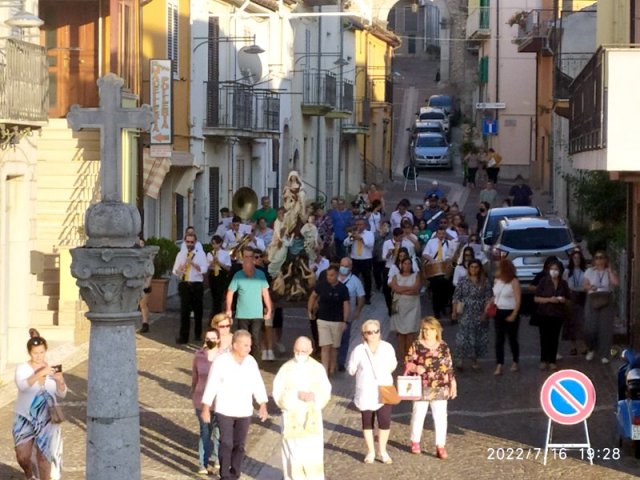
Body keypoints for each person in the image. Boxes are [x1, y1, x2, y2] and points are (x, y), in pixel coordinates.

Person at [200, 330, 268, 480]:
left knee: (239, 444)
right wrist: (206, 407)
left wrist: (262, 404)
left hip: (244, 410)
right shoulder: (221, 361)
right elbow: (212, 385)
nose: (248, 348)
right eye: (245, 345)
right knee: (226, 443)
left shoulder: (250, 362)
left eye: (249, 345)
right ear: (235, 345)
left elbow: (257, 383)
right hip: (225, 409)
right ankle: (224, 475)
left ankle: (235, 473)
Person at [272, 337, 332, 480]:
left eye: (304, 351)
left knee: (312, 454)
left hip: (311, 419)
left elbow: (326, 391)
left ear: (311, 351)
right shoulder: (286, 369)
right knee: (293, 455)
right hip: (292, 418)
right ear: (293, 349)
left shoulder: (317, 368)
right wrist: (296, 395)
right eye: (297, 351)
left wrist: (314, 396)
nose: (300, 354)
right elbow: (277, 392)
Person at [14, 329, 67, 480]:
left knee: (44, 458)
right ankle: (29, 475)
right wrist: (40, 373)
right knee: (22, 456)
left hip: (47, 418)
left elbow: (62, 393)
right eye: (35, 353)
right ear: (29, 353)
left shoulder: (52, 368)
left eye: (42, 352)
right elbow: (23, 386)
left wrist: (60, 381)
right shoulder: (22, 369)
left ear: (45, 351)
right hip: (25, 417)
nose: (39, 356)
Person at [404, 317, 457, 458]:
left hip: (440, 385)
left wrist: (453, 383)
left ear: (437, 331)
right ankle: (415, 441)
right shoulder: (416, 345)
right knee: (418, 415)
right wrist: (416, 367)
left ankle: (440, 445)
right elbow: (407, 362)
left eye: (431, 329)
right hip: (421, 386)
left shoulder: (443, 346)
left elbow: (449, 366)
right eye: (425, 329)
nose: (428, 332)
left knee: (440, 417)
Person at [347, 319, 397, 464]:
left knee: (385, 420)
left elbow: (393, 364)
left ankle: (383, 450)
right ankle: (371, 451)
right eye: (370, 332)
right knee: (367, 421)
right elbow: (351, 369)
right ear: (364, 335)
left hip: (384, 388)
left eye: (376, 331)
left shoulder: (387, 347)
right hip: (366, 389)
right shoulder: (359, 350)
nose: (374, 334)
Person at [225, 246, 272, 361]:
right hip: (242, 314)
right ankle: (241, 360)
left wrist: (269, 309)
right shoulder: (238, 275)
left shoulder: (260, 274)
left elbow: (265, 293)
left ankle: (254, 362)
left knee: (255, 338)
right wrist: (228, 309)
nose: (248, 274)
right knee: (242, 339)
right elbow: (230, 293)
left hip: (257, 314)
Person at [307, 266, 350, 375]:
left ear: (336, 275)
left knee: (334, 347)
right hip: (323, 320)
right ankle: (324, 369)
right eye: (327, 275)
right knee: (325, 346)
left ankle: (332, 367)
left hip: (337, 321)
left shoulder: (343, 289)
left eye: (331, 275)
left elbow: (346, 305)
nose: (329, 277)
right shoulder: (321, 286)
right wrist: (310, 309)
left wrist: (345, 321)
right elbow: (313, 296)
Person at [451, 260, 493, 369]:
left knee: (476, 338)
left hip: (479, 312)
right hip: (465, 312)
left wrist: (485, 312)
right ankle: (459, 360)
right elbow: (456, 297)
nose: (474, 269)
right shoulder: (463, 281)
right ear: (468, 268)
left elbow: (488, 298)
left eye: (476, 267)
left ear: (480, 268)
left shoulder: (485, 282)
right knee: (462, 337)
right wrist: (454, 311)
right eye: (472, 267)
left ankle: (474, 361)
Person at [192, 328, 222, 475]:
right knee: (205, 432)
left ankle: (217, 460)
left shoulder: (224, 357)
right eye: (207, 338)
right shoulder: (198, 356)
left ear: (218, 340)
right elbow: (195, 378)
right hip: (201, 400)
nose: (210, 341)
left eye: (213, 338)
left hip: (219, 401)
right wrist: (194, 395)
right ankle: (202, 463)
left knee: (218, 432)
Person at [582, 250, 620, 363]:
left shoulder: (609, 271)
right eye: (597, 257)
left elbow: (616, 283)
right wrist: (590, 287)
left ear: (605, 259)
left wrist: (609, 270)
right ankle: (591, 349)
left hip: (606, 298)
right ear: (594, 260)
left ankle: (605, 354)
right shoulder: (589, 271)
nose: (599, 260)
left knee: (606, 328)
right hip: (593, 298)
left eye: (602, 257)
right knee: (590, 327)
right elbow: (584, 285)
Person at [534, 259, 571, 371]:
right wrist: (549, 299)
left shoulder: (563, 283)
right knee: (544, 337)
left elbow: (569, 299)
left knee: (554, 338)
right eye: (552, 269)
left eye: (556, 269)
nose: (554, 271)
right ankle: (543, 360)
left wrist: (563, 300)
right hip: (544, 313)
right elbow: (536, 298)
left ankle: (552, 360)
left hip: (557, 314)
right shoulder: (543, 281)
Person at [173, 233, 209, 344]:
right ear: (185, 241)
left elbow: (204, 269)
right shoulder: (181, 254)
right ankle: (183, 337)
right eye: (187, 242)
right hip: (185, 283)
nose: (189, 244)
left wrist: (193, 264)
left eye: (191, 242)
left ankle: (198, 334)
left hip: (196, 284)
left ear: (195, 242)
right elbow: (175, 271)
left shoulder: (200, 254)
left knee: (198, 311)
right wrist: (180, 269)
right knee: (184, 311)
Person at [491, 259, 522, 375]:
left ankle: (515, 361)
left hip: (510, 310)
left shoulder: (514, 282)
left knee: (512, 338)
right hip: (499, 311)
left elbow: (518, 299)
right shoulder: (497, 280)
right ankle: (499, 364)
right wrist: (489, 304)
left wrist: (514, 314)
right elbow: (494, 295)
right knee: (499, 339)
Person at [389, 257, 422, 361]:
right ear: (401, 265)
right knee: (400, 332)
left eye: (409, 263)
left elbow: (415, 289)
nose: (407, 266)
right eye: (405, 263)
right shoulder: (396, 276)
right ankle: (401, 354)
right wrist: (408, 289)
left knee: (410, 332)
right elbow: (395, 288)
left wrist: (401, 290)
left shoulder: (415, 276)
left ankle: (409, 353)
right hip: (399, 308)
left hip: (413, 307)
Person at [337, 257, 365, 372]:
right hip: (332, 315)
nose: (343, 268)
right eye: (342, 265)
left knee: (344, 339)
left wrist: (358, 310)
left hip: (347, 316)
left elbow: (361, 297)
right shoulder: (334, 277)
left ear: (351, 267)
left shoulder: (355, 281)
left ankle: (341, 362)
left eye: (346, 266)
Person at [422, 227, 454, 319]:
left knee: (445, 291)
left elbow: (451, 255)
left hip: (445, 270)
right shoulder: (431, 242)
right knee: (436, 292)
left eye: (443, 234)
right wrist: (431, 259)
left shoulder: (448, 243)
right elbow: (425, 253)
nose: (441, 236)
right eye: (439, 234)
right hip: (434, 270)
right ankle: (437, 311)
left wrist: (449, 259)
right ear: (437, 233)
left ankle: (442, 307)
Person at [343, 217, 374, 304]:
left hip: (366, 259)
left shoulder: (369, 233)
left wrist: (361, 238)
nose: (358, 226)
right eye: (357, 224)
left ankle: (367, 297)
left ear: (365, 225)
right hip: (355, 260)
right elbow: (345, 243)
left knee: (367, 279)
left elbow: (370, 244)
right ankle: (355, 297)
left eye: (360, 224)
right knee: (354, 279)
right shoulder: (353, 233)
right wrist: (351, 238)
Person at [563, 248, 588, 356]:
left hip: (582, 297)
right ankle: (573, 346)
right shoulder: (567, 272)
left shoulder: (585, 271)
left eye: (578, 258)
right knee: (571, 321)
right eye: (574, 258)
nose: (576, 260)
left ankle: (584, 345)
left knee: (582, 321)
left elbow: (586, 286)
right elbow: (564, 285)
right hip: (571, 297)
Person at [207, 235, 232, 316]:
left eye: (216, 244)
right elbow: (206, 266)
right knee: (214, 295)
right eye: (213, 244)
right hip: (212, 274)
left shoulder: (225, 254)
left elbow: (228, 268)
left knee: (219, 295)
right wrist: (211, 263)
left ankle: (217, 313)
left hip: (221, 275)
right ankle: (214, 313)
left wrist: (219, 263)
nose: (214, 246)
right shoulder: (209, 253)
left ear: (220, 243)